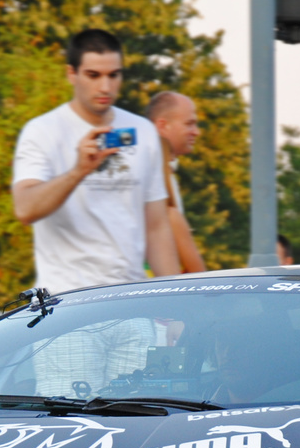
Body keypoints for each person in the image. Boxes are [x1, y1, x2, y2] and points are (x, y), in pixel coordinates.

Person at [12, 29, 178, 292]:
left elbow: (157, 227)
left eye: (114, 75)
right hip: (65, 299)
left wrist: (175, 298)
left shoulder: (143, 130)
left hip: (131, 297)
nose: (105, 87)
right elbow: (25, 209)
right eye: (93, 75)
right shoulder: (43, 131)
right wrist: (78, 171)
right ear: (71, 74)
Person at [145, 90, 206, 273]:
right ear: (162, 126)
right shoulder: (153, 185)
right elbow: (197, 273)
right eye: (189, 124)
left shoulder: (168, 176)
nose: (196, 132)